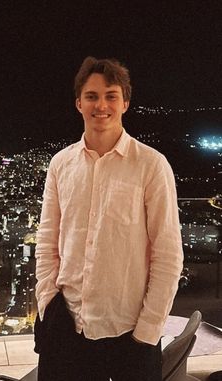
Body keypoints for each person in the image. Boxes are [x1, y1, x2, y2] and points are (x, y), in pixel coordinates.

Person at [34, 56, 183, 380]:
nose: (101, 105)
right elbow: (47, 241)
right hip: (65, 328)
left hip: (128, 335)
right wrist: (47, 302)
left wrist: (147, 332)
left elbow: (168, 255)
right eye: (92, 96)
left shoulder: (151, 166)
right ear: (78, 103)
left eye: (111, 95)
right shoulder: (61, 165)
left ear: (125, 103)